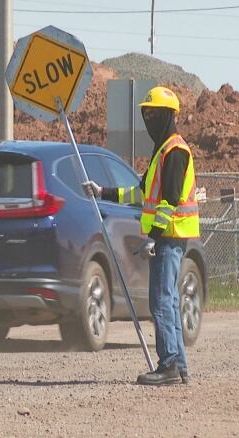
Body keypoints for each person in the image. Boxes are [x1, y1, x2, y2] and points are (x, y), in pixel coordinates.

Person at [82, 86, 200, 386]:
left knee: (160, 302)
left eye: (153, 113)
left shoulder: (175, 152)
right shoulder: (162, 150)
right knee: (169, 301)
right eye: (145, 113)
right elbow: (139, 192)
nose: (148, 118)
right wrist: (103, 191)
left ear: (168, 116)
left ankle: (169, 365)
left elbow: (169, 201)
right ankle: (180, 366)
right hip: (166, 237)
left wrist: (155, 236)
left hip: (169, 238)